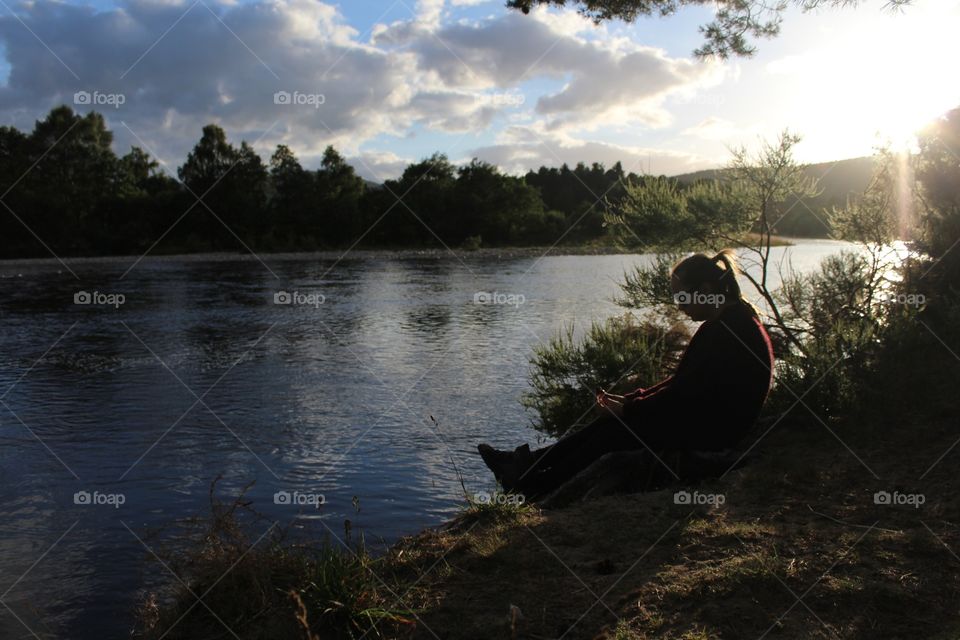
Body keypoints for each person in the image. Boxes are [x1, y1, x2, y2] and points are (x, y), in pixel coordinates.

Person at [478, 249, 775, 499]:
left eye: (681, 297)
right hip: (711, 419)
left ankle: (532, 482)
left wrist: (630, 407)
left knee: (613, 431)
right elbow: (683, 385)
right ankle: (526, 467)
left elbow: (682, 392)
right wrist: (630, 402)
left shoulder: (727, 331)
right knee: (614, 423)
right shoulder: (727, 321)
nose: (679, 306)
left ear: (707, 292)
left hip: (716, 431)